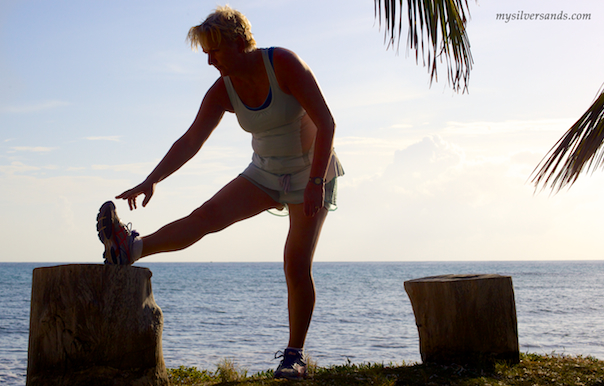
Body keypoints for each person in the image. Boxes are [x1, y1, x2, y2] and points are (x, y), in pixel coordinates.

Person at [95, 5, 343, 380]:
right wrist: (152, 180)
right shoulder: (223, 89)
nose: (210, 61)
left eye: (215, 51)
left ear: (240, 41)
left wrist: (315, 183)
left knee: (295, 261)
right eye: (206, 53)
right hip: (265, 172)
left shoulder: (284, 64)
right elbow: (191, 140)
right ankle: (130, 248)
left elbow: (326, 122)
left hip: (313, 171)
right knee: (206, 217)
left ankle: (295, 356)